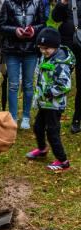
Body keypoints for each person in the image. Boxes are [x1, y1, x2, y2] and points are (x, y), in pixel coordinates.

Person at [26, 27, 75, 171]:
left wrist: (49, 92)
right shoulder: (45, 57)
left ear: (55, 46)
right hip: (44, 103)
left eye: (46, 48)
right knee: (38, 127)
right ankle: (42, 149)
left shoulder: (60, 63)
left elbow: (65, 85)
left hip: (54, 105)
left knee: (52, 132)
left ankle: (63, 161)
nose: (43, 51)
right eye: (41, 48)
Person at [0, 0, 46, 129]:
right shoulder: (8, 3)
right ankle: (13, 117)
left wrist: (33, 30)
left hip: (31, 49)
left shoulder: (37, 2)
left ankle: (26, 116)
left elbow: (43, 24)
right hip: (12, 49)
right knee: (13, 84)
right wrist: (15, 30)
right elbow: (1, 27)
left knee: (28, 84)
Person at [52, 0, 81, 134]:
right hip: (66, 46)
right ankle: (55, 115)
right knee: (59, 81)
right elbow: (55, 18)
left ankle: (77, 119)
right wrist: (62, 3)